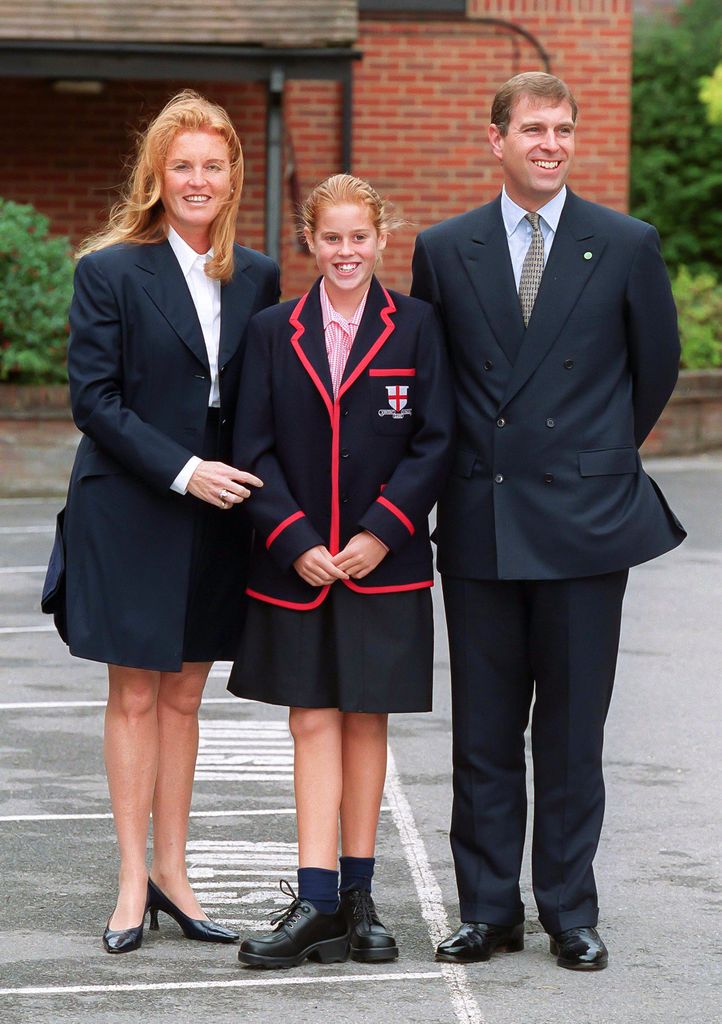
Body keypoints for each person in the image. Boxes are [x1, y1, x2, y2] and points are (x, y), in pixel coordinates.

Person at [411, 72, 685, 971]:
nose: (550, 145)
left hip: (584, 518)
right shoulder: (446, 249)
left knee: (572, 731)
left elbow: (654, 370)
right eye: (533, 129)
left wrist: (591, 459)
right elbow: (439, 387)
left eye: (563, 130)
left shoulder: (626, 241)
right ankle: (489, 911)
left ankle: (570, 909)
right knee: (484, 730)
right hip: (483, 515)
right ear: (496, 140)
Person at [41, 90, 280, 954]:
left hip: (222, 512)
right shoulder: (108, 269)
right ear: (156, 175)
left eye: (213, 166)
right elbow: (93, 402)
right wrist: (185, 471)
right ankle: (129, 884)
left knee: (186, 696)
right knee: (135, 691)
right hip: (135, 503)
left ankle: (176, 875)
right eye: (181, 165)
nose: (197, 180)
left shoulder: (256, 275)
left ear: (232, 177)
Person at [226, 174, 454, 969]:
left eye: (360, 237)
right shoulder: (270, 330)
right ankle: (316, 900)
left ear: (382, 239)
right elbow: (248, 448)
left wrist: (381, 533)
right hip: (296, 567)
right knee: (312, 721)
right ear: (310, 242)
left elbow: (436, 442)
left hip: (381, 566)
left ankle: (360, 899)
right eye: (331, 238)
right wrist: (294, 539)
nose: (346, 251)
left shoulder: (419, 327)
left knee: (366, 722)